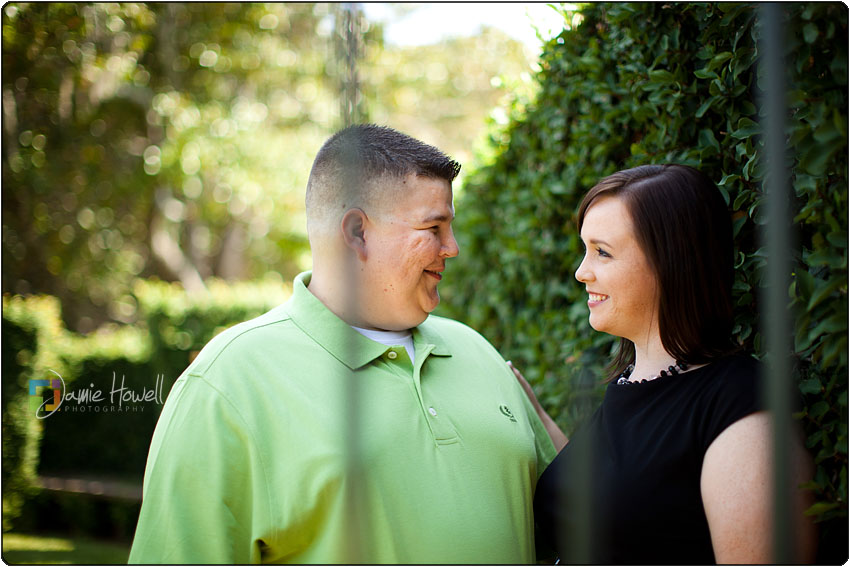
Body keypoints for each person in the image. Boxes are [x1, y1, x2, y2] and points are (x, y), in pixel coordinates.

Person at [128, 124, 556, 564]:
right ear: (357, 232)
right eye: (434, 227)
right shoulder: (227, 382)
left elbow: (581, 519)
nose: (453, 247)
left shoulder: (478, 351)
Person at [513, 164, 816, 564]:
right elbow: (616, 496)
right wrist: (527, 408)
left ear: (671, 262)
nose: (581, 272)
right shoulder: (630, 384)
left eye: (602, 252)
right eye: (585, 250)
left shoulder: (740, 405)